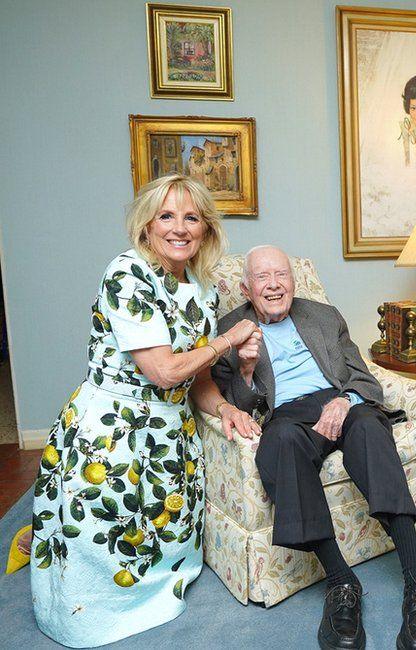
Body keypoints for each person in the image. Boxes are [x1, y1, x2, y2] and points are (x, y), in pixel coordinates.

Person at [30, 174, 261, 647]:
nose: (180, 228)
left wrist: (223, 410)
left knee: (159, 532)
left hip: (170, 433)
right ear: (147, 225)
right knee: (102, 531)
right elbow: (164, 371)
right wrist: (227, 339)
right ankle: (83, 618)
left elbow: (196, 379)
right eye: (167, 216)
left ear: (206, 230)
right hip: (113, 430)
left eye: (192, 218)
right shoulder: (126, 273)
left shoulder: (203, 287)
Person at [212, 245, 416, 650]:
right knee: (280, 441)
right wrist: (246, 370)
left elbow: (363, 378)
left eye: (281, 275)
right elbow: (240, 406)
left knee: (372, 428)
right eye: (263, 278)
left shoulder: (323, 315)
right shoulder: (229, 330)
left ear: (293, 280)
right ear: (247, 288)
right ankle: (341, 582)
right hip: (285, 414)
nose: (273, 285)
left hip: (338, 401)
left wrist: (344, 400)